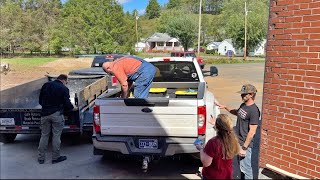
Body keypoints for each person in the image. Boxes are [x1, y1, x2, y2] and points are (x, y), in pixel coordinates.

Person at [215, 84, 260, 179]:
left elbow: (252, 132)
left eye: (244, 94)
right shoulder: (243, 105)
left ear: (251, 94)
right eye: (241, 94)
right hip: (238, 141)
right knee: (241, 167)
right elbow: (237, 112)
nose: (242, 96)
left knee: (246, 169)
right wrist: (225, 107)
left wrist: (244, 148)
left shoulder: (254, 111)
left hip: (245, 144)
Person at [38, 74, 78, 164]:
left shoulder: (46, 85)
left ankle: (41, 158)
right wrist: (73, 108)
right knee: (56, 136)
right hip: (56, 114)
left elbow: (40, 100)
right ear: (64, 80)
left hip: (44, 114)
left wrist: (46, 107)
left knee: (44, 135)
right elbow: (67, 103)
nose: (66, 84)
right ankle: (56, 157)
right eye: (66, 82)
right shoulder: (64, 89)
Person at [195, 114, 240, 179]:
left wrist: (201, 149)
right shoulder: (233, 139)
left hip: (212, 176)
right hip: (227, 176)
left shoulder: (213, 142)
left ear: (217, 127)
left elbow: (206, 163)